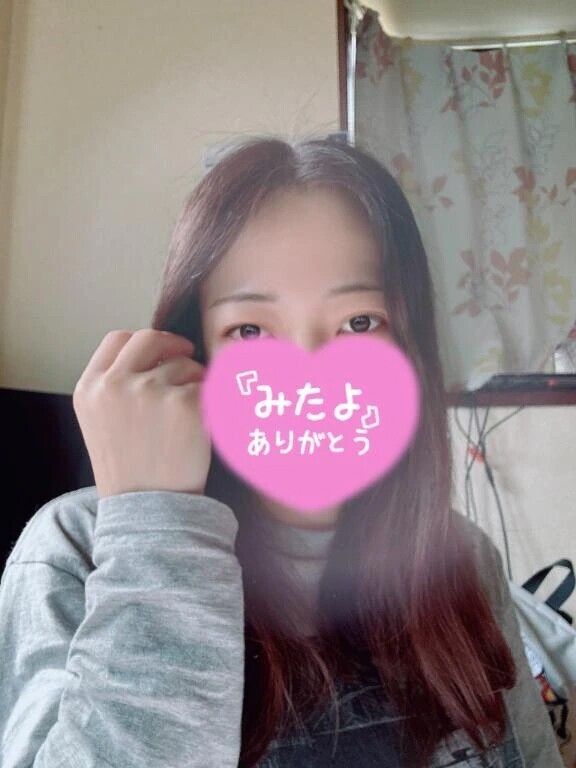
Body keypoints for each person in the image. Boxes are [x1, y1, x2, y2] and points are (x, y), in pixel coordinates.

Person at [0, 137, 563, 768]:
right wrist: (157, 535)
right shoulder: (74, 552)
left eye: (359, 323)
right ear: (195, 352)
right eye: (250, 330)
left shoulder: (462, 558)